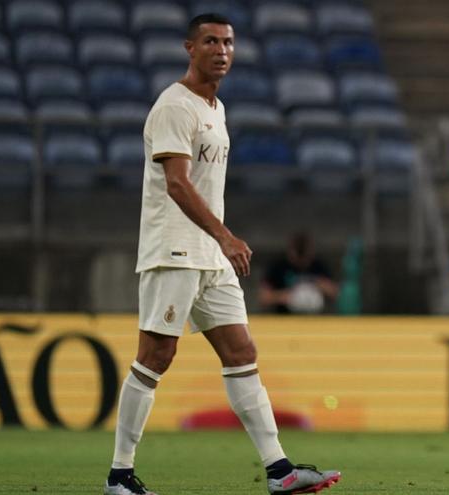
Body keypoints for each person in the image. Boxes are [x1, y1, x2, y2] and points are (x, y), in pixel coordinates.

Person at [104, 14, 340, 495]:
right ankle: (119, 476)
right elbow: (176, 183)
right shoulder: (175, 106)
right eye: (210, 41)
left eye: (228, 42)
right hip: (174, 249)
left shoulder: (217, 107)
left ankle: (280, 471)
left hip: (210, 254)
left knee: (241, 352)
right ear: (190, 47)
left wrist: (220, 242)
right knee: (155, 356)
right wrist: (227, 236)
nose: (221, 49)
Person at [259, 233, 338, 314]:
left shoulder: (319, 267)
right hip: (284, 319)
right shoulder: (278, 268)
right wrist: (282, 296)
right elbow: (264, 298)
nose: (302, 262)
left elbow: (337, 294)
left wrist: (323, 286)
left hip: (315, 319)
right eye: (298, 255)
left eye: (305, 256)